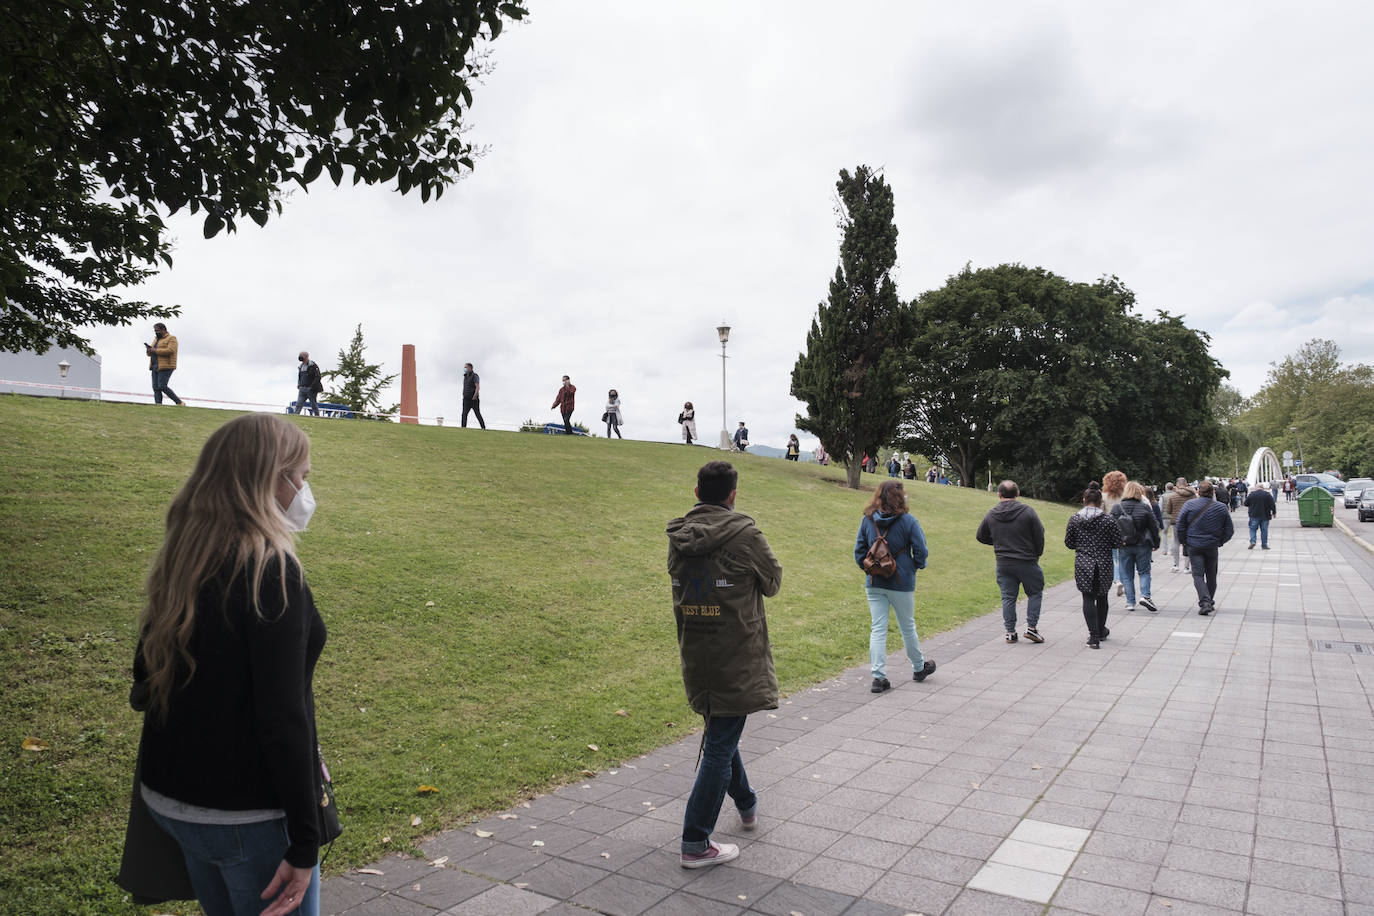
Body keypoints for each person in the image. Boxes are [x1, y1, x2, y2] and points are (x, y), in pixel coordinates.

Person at [128, 413, 325, 916]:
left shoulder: (185, 558)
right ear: (271, 480)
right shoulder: (270, 572)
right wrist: (305, 842)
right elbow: (281, 719)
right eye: (301, 476)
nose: (305, 490)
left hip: (172, 797)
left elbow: (144, 681)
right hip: (246, 814)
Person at [667, 461, 782, 869]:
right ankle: (695, 842)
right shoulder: (746, 535)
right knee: (720, 742)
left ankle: (746, 803)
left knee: (721, 732)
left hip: (697, 650)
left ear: (697, 492)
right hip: (736, 654)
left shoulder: (679, 537)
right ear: (733, 495)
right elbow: (772, 582)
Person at [855, 480, 935, 692]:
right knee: (907, 626)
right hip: (901, 581)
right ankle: (918, 667)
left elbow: (859, 552)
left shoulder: (868, 519)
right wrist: (914, 566)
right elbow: (921, 550)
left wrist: (870, 569)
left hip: (874, 582)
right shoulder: (908, 521)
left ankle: (878, 676)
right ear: (900, 496)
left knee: (878, 628)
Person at [975, 480, 1047, 644]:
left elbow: (980, 536)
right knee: (1035, 593)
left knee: (1008, 597)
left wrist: (999, 543)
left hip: (1004, 562)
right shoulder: (1028, 512)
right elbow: (1039, 534)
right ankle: (1031, 628)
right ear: (1018, 493)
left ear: (998, 495)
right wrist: (1037, 553)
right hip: (1027, 560)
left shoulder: (991, 514)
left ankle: (1010, 632)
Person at [1065, 485, 1124, 649]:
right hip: (1103, 562)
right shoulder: (1108, 520)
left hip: (1084, 562)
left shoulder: (1075, 519)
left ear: (1084, 500)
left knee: (1088, 597)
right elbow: (1117, 542)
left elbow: (1069, 543)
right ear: (1100, 501)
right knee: (1102, 596)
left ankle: (1093, 636)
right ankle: (1100, 630)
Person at [1175, 479, 1234, 615]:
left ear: (1198, 491)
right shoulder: (1221, 507)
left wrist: (1185, 541)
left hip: (1194, 544)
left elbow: (1180, 525)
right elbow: (1229, 529)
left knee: (1198, 575)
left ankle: (1205, 602)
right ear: (1212, 492)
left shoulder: (1189, 505)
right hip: (1211, 545)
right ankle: (1209, 601)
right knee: (1211, 575)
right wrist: (1220, 541)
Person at [1110, 481, 1160, 612]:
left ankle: (1130, 602)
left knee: (1126, 574)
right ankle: (1145, 596)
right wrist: (1156, 543)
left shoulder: (1117, 508)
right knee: (1144, 572)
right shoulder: (1144, 507)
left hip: (1124, 545)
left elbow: (1111, 527)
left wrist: (1116, 542)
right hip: (1142, 544)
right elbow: (1154, 527)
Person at [145, 322, 184, 406]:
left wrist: (155, 350)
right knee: (155, 387)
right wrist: (149, 350)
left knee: (162, 386)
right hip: (155, 365)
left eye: (157, 330)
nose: (156, 332)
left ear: (163, 329)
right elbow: (150, 353)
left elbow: (170, 350)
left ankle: (179, 402)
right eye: (155, 331)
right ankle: (158, 404)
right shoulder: (156, 339)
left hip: (166, 366)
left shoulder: (172, 338)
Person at [1101, 470, 1127, 596]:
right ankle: (1124, 580)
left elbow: (1100, 513)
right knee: (1123, 557)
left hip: (1108, 529)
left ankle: (1116, 580)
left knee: (1113, 557)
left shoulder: (1104, 496)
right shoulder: (1126, 496)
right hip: (1124, 529)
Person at [1244, 480, 1277, 549]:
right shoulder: (1267, 495)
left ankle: (1253, 541)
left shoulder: (1252, 494)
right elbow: (1272, 504)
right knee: (1264, 531)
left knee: (1252, 529)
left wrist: (1252, 505)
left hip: (1254, 515)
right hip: (1265, 515)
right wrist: (1274, 512)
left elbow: (1246, 503)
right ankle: (1264, 545)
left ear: (1256, 487)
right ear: (1263, 488)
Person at [294, 352, 323, 417]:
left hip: (310, 389)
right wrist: (299, 384)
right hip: (302, 388)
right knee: (299, 404)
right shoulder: (301, 366)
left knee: (313, 404)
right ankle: (295, 416)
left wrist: (312, 386)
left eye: (301, 356)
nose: (300, 357)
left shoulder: (313, 365)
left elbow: (318, 377)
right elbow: (300, 377)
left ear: (306, 356)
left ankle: (317, 416)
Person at [461, 363, 486, 429]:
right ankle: (463, 428)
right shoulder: (465, 377)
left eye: (466, 367)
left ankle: (483, 428)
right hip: (466, 399)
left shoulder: (475, 376)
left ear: (470, 368)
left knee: (477, 414)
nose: (464, 369)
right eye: (464, 367)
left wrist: (475, 396)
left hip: (473, 399)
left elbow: (477, 387)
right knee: (464, 414)